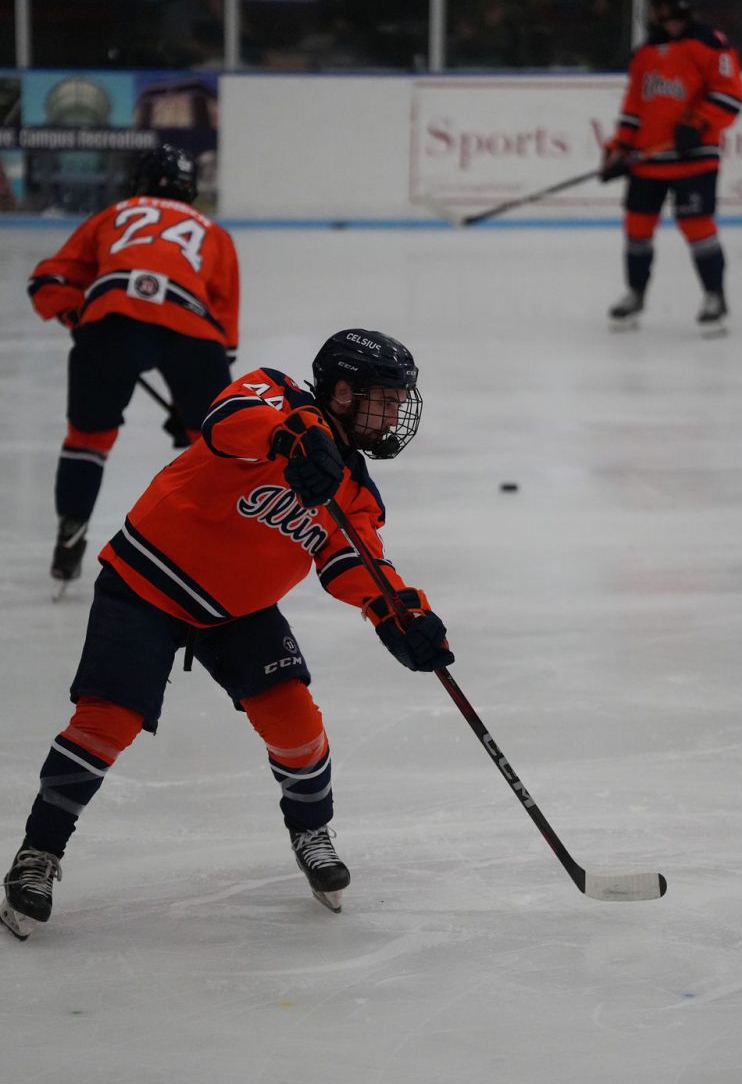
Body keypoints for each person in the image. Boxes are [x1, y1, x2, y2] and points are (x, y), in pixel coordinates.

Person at [0, 329, 455, 940]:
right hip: (146, 583)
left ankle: (311, 833)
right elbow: (225, 420)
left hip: (236, 612)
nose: (397, 413)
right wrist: (294, 436)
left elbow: (354, 559)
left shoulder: (353, 488)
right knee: (106, 721)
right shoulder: (273, 393)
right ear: (342, 392)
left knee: (296, 721)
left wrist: (403, 615)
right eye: (386, 397)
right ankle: (39, 853)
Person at [27, 142, 240, 589]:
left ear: (138, 183)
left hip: (113, 319)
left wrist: (77, 316)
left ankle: (72, 532)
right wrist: (195, 407)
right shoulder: (213, 232)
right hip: (193, 328)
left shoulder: (116, 214)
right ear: (190, 188)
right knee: (211, 443)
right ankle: (214, 545)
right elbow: (225, 330)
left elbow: (47, 278)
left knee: (88, 438)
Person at [600, 0, 742, 333]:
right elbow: (634, 108)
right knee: (636, 227)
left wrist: (696, 123)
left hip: (693, 158)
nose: (661, 16)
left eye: (666, 8)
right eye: (656, 9)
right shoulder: (645, 54)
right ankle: (635, 293)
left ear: (681, 7)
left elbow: (730, 96)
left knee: (697, 227)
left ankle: (714, 296)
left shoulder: (712, 44)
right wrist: (619, 148)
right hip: (648, 161)